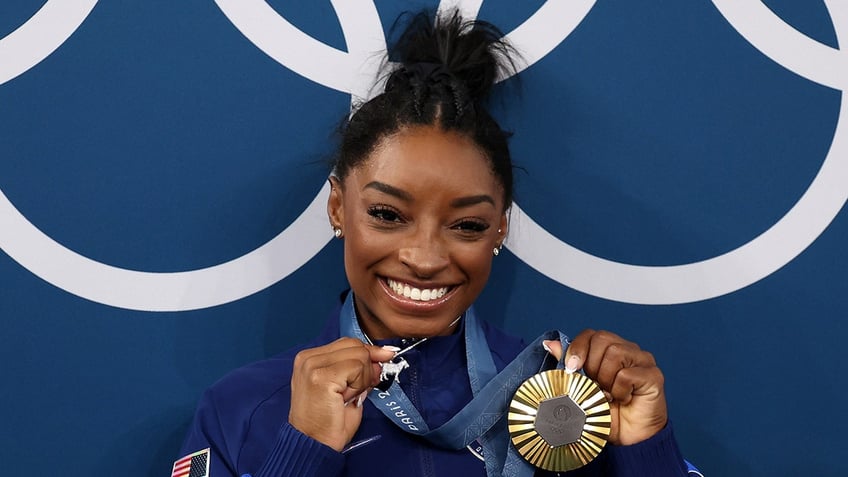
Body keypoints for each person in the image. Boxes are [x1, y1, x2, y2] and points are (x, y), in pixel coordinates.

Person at [175, 10, 693, 477]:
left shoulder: (575, 405)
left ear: (501, 228)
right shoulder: (242, 407)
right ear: (337, 207)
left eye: (466, 225)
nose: (424, 258)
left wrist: (647, 452)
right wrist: (303, 451)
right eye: (386, 214)